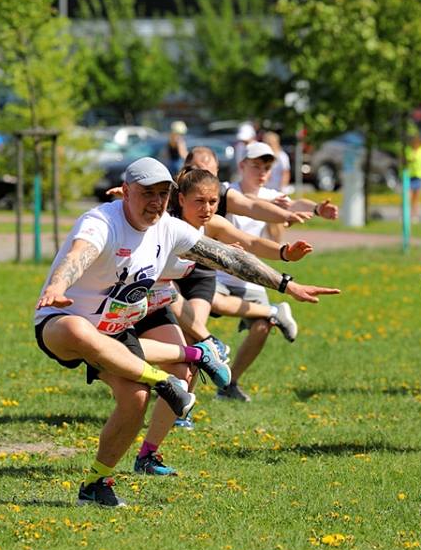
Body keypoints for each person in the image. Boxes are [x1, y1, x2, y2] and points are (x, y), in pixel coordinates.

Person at [34, 157, 339, 506]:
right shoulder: (102, 221)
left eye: (162, 194)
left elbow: (230, 257)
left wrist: (286, 284)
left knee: (136, 399)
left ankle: (95, 484)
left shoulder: (168, 227)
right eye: (147, 193)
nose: (156, 202)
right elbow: (79, 254)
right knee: (76, 328)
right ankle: (164, 380)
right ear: (126, 192)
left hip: (116, 329)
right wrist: (57, 285)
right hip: (61, 322)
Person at [131, 166, 315, 474]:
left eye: (213, 202)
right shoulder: (164, 224)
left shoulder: (212, 224)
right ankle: (205, 347)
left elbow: (249, 244)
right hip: (146, 296)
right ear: (181, 199)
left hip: (179, 291)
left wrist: (284, 252)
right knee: (138, 380)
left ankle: (152, 449)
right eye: (200, 201)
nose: (207, 209)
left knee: (184, 366)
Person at [215, 141, 336, 401]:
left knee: (263, 326)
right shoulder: (227, 190)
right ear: (242, 165)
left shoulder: (273, 196)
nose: (261, 172)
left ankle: (228, 384)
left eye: (267, 168)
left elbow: (295, 204)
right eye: (256, 166)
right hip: (220, 274)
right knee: (198, 311)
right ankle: (183, 376)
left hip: (251, 275)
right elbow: (246, 203)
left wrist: (316, 209)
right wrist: (271, 206)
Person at [405, 134, 421, 223]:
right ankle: (405, 215)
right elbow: (406, 160)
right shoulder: (408, 149)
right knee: (407, 197)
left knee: (416, 197)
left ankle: (414, 215)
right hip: (409, 175)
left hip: (419, 175)